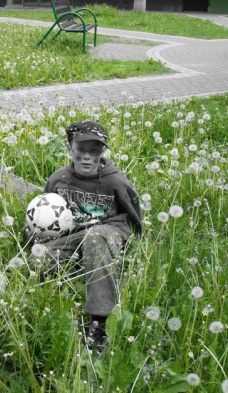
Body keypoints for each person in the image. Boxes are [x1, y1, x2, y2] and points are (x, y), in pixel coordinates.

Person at [29, 120, 142, 355]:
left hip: (106, 232)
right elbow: (43, 213)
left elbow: (134, 215)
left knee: (95, 237)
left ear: (103, 152)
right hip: (74, 236)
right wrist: (35, 237)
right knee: (38, 260)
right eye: (81, 150)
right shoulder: (58, 180)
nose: (87, 157)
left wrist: (133, 242)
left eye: (95, 151)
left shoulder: (115, 181)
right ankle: (86, 271)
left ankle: (99, 321)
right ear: (69, 149)